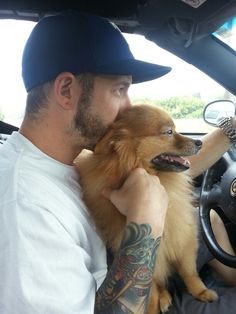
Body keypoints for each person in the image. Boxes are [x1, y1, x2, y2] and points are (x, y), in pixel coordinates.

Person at [0, 9, 235, 314]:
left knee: (212, 223)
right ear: (67, 91)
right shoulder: (25, 209)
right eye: (120, 89)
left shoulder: (71, 159)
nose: (128, 107)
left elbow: (169, 167)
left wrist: (230, 129)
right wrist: (146, 222)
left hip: (141, 282)